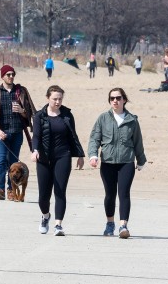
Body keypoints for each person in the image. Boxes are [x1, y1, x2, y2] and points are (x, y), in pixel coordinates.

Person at [88, 87, 147, 239]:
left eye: (118, 98)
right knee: (110, 194)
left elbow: (138, 142)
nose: (115, 100)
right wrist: (93, 155)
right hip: (107, 162)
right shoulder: (103, 118)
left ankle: (123, 226)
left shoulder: (132, 120)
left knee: (124, 193)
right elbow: (95, 138)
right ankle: (110, 223)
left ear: (124, 100)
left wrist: (141, 160)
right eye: (112, 98)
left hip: (126, 161)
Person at [31, 85, 86, 236]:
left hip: (63, 156)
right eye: (55, 99)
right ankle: (45, 216)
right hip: (43, 158)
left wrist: (80, 155)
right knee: (43, 196)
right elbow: (35, 136)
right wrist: (35, 150)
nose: (57, 102)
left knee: (60, 191)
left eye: (60, 99)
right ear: (48, 98)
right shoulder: (39, 116)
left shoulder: (67, 115)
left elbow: (73, 136)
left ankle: (58, 225)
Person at [0, 64, 36, 201]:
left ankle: (10, 190)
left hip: (17, 132)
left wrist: (22, 110)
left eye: (13, 74)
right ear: (2, 76)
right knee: (1, 160)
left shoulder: (21, 91)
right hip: (1, 133)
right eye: (8, 74)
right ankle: (0, 189)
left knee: (13, 163)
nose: (11, 77)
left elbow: (30, 112)